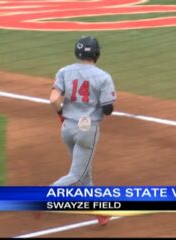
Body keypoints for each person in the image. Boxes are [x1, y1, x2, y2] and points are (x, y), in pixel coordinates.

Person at [49, 36, 116, 225]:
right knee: (77, 176)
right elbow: (108, 109)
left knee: (85, 171)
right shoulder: (103, 77)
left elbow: (53, 99)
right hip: (87, 131)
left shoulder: (64, 71)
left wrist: (62, 115)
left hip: (67, 128)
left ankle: (99, 212)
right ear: (96, 53)